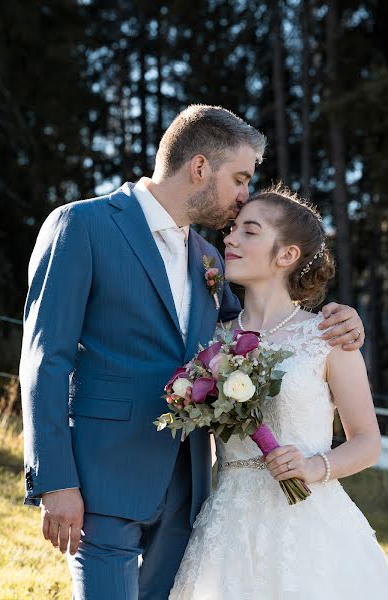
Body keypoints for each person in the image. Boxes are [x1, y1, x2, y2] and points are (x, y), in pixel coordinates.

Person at [20, 106, 365, 600]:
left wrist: (343, 322)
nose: (246, 195)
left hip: (190, 494)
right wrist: (54, 480)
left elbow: (255, 330)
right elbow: (44, 359)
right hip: (103, 480)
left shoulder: (208, 258)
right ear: (200, 167)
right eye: (241, 178)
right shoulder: (83, 225)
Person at [169, 185, 388, 600]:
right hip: (226, 525)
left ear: (286, 255)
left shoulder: (327, 336)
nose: (230, 238)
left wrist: (313, 466)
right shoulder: (211, 342)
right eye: (232, 229)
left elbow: (366, 442)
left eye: (249, 232)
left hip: (309, 522)